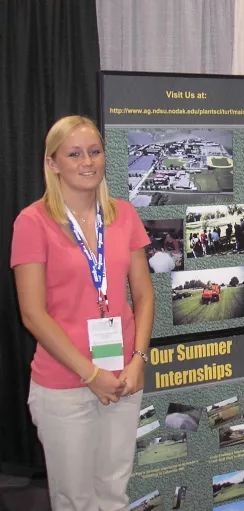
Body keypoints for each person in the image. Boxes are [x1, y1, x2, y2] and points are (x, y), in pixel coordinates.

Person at [11, 116, 155, 511]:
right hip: (64, 386)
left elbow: (143, 297)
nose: (87, 161)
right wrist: (90, 374)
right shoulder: (32, 222)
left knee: (113, 493)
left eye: (94, 151)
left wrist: (138, 359)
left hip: (124, 378)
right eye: (74, 154)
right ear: (53, 163)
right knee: (75, 500)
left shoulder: (123, 214)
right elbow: (32, 315)